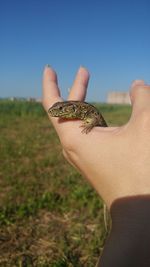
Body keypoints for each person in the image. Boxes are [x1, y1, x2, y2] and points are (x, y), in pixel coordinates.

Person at [42, 65, 150, 267]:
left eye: (60, 110)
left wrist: (90, 126)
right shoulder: (75, 111)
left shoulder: (82, 111)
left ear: (69, 109)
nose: (57, 113)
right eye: (57, 111)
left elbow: (94, 119)